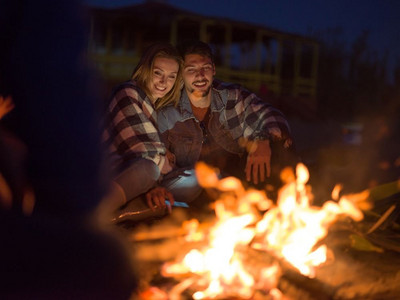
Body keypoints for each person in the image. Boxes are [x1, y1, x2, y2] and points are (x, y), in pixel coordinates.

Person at [157, 40, 298, 203]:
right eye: (191, 70)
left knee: (280, 147)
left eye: (206, 68)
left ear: (214, 69)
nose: (200, 75)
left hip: (235, 184)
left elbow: (272, 115)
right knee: (197, 179)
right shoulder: (168, 111)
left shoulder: (232, 97)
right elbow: (155, 157)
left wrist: (262, 140)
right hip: (191, 187)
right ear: (181, 74)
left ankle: (283, 204)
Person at [102, 42, 201, 221]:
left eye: (171, 77)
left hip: (145, 172)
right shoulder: (127, 92)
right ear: (146, 69)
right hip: (112, 172)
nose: (164, 82)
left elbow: (156, 155)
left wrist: (164, 159)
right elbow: (144, 150)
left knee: (196, 177)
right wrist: (160, 167)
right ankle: (94, 217)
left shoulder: (155, 108)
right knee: (149, 170)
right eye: (158, 73)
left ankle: (128, 211)